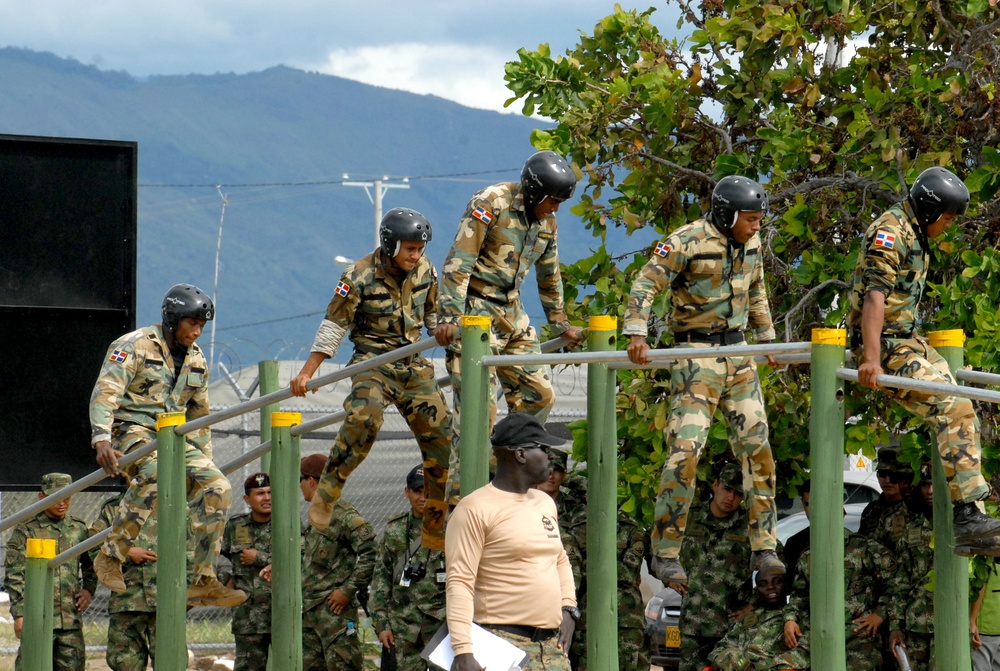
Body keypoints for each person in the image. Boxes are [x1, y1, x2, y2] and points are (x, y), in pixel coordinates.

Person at [624, 175, 783, 584]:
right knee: (685, 451)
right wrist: (637, 332)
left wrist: (767, 339)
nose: (756, 225)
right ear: (728, 214)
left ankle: (765, 548)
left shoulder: (751, 243)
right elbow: (646, 281)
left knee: (758, 450)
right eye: (750, 218)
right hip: (697, 356)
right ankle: (665, 551)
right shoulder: (686, 241)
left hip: (740, 354)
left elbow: (758, 289)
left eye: (758, 218)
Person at [848, 166, 1000, 552]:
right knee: (954, 406)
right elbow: (874, 297)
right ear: (930, 210)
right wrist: (870, 359)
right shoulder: (891, 232)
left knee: (960, 406)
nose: (948, 226)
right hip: (886, 345)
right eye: (947, 218)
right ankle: (967, 516)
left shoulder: (913, 228)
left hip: (908, 340)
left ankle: (973, 521)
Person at [293, 208, 452, 549]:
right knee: (365, 418)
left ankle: (436, 519)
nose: (416, 255)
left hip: (412, 364)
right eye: (410, 248)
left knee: (442, 437)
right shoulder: (358, 275)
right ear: (390, 245)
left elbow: (433, 313)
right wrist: (307, 371)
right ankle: (328, 490)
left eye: (420, 249)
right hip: (373, 362)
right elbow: (334, 325)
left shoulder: (426, 270)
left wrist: (441, 328)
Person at [434, 151, 584, 499]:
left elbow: (550, 274)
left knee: (541, 395)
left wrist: (560, 323)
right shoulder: (491, 203)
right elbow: (459, 260)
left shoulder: (547, 222)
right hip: (474, 314)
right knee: (478, 411)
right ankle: (461, 500)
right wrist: (448, 317)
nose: (555, 209)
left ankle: (501, 469)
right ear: (533, 192)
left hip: (512, 313)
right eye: (552, 201)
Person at [90, 283, 244, 607]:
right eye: (192, 324)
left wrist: (205, 466)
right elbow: (106, 393)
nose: (197, 332)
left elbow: (199, 414)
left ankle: (204, 579)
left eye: (202, 326)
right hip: (130, 432)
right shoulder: (133, 346)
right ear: (174, 319)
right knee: (156, 472)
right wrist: (101, 438)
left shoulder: (198, 360)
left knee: (219, 487)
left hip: (171, 438)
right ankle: (111, 554)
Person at [445, 412, 578, 671]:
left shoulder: (544, 503)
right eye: (543, 448)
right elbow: (460, 581)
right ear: (520, 454)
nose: (550, 456)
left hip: (551, 648)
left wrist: (569, 607)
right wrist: (463, 650)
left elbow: (559, 559)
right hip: (502, 645)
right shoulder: (474, 509)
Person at [4, 473, 96, 671]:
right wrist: (20, 615)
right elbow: (14, 575)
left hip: (69, 622)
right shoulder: (27, 530)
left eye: (68, 497)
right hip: (38, 619)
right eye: (56, 498)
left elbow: (92, 564)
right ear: (42, 497)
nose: (62, 503)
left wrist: (89, 589)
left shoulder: (78, 529)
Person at [671, 463, 756, 671]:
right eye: (727, 489)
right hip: (692, 625)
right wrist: (668, 574)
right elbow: (660, 548)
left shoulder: (750, 525)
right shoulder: (689, 517)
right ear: (716, 485)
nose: (731, 498)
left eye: (738, 493)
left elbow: (777, 569)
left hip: (730, 629)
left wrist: (753, 606)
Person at [299, 454, 377, 671]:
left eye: (301, 480)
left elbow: (371, 554)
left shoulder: (344, 516)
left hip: (336, 615)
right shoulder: (316, 517)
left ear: (311, 481)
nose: (300, 486)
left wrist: (347, 590)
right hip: (312, 612)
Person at [783, 529, 895, 671]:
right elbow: (799, 595)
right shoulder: (808, 555)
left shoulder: (864, 547)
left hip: (859, 634)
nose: (810, 510)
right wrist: (790, 619)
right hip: (817, 635)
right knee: (784, 665)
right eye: (806, 505)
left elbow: (896, 581)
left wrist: (880, 614)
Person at [370, 465, 447, 671]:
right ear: (407, 492)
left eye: (428, 492)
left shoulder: (451, 527)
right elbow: (381, 578)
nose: (422, 497)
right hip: (403, 627)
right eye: (417, 491)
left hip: (441, 625)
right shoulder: (395, 528)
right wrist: (382, 624)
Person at [90, 485, 158, 671]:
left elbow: (194, 549)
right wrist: (126, 552)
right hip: (127, 601)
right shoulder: (113, 508)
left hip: (165, 602)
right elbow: (94, 548)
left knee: (171, 662)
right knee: (125, 664)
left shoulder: (173, 505)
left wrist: (189, 591)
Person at [708, 567, 809, 671]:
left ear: (787, 586)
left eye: (777, 582)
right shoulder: (749, 617)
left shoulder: (794, 620)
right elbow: (721, 648)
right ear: (757, 590)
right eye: (762, 584)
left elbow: (803, 654)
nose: (770, 587)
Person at [221, 473, 273, 671]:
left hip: (282, 614)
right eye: (260, 493)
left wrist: (258, 558)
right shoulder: (235, 526)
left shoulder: (288, 525)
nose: (267, 498)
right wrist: (226, 584)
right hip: (248, 618)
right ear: (247, 499)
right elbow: (214, 558)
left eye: (270, 492)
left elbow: (301, 561)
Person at [886, 463, 935, 671]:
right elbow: (900, 579)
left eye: (934, 485)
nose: (930, 491)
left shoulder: (962, 528)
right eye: (925, 485)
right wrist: (895, 625)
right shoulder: (912, 529)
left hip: (952, 623)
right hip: (915, 625)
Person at [857, 445, 908, 542]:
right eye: (883, 474)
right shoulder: (871, 511)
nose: (888, 480)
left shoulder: (914, 509)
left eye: (893, 475)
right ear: (877, 476)